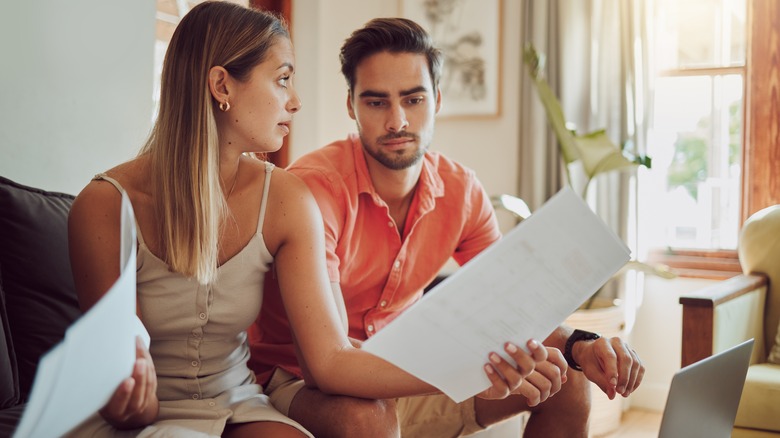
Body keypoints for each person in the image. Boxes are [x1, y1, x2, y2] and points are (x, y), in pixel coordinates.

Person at [67, 3, 546, 437]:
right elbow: (117, 389)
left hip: (237, 402)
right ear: (221, 86)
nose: (295, 101)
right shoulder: (105, 205)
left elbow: (331, 361)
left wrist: (479, 363)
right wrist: (132, 403)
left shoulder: (285, 197)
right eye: (282, 79)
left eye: (414, 99)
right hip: (156, 415)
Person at [249, 17, 646, 438]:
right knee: (365, 418)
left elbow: (510, 303)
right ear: (351, 105)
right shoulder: (314, 190)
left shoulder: (462, 192)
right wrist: (467, 373)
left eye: (413, 99)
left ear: (436, 99)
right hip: (296, 380)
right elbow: (327, 368)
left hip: (403, 372)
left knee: (569, 381)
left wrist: (578, 345)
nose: (397, 121)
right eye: (376, 102)